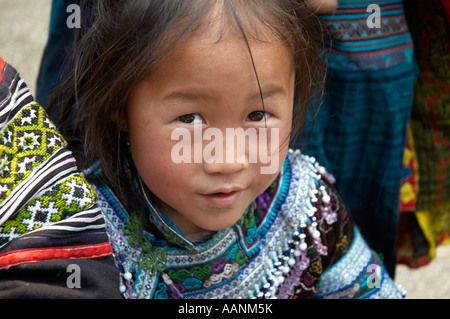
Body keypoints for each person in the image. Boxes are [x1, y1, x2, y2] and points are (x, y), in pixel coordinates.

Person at [0, 0, 405, 299]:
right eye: (191, 119)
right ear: (119, 106)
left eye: (258, 114)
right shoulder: (82, 234)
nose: (228, 159)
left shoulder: (309, 207)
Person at [295, 0, 418, 277]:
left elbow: (321, 2)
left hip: (339, 71)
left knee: (312, 206)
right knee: (362, 206)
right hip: (381, 64)